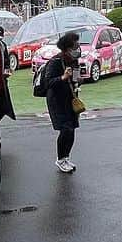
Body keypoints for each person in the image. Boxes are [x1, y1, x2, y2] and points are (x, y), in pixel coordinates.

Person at [43, 31, 81, 173]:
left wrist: (78, 79)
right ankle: (60, 159)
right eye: (74, 47)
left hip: (71, 99)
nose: (77, 49)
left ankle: (66, 157)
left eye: (78, 45)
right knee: (65, 129)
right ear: (66, 48)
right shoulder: (55, 61)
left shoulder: (74, 61)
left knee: (72, 129)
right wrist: (63, 77)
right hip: (57, 100)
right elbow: (48, 83)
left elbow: (77, 77)